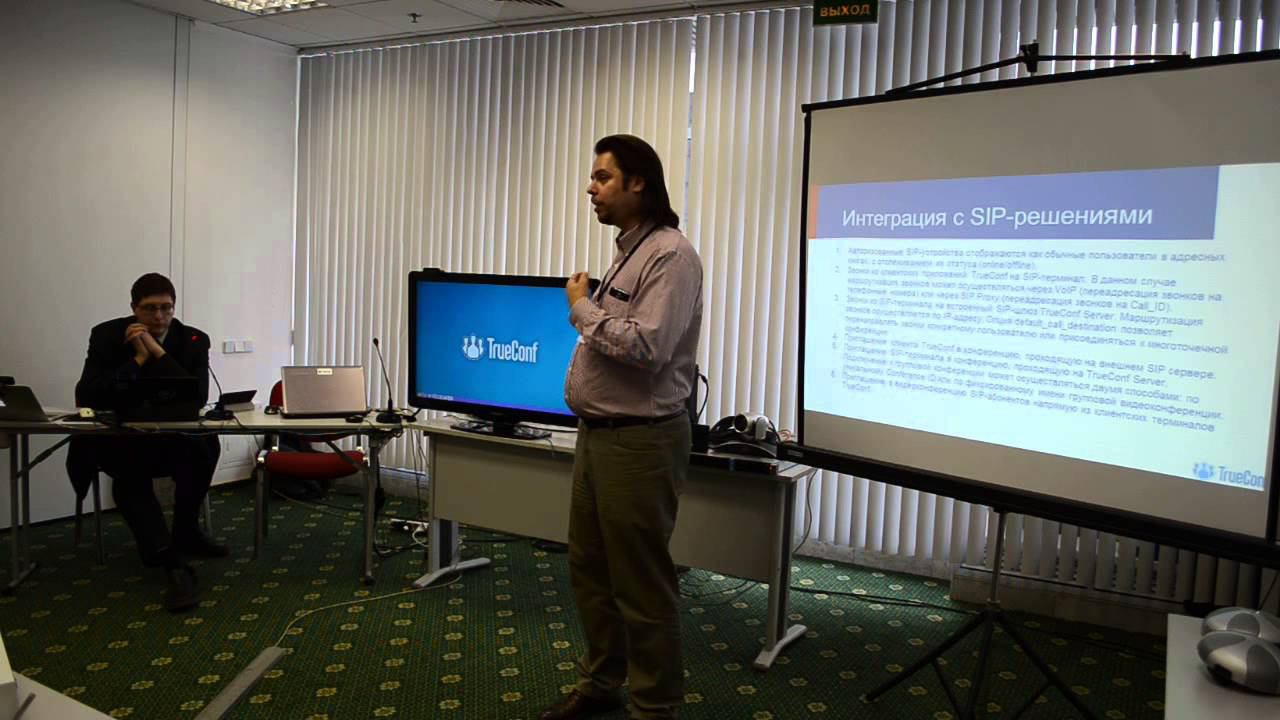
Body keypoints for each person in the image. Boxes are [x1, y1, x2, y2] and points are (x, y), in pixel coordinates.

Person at [540, 135, 703, 720]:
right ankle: (602, 682)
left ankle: (655, 707)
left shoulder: (670, 256)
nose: (590, 188)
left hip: (641, 441)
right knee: (590, 570)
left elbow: (647, 348)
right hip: (600, 435)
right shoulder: (627, 251)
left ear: (639, 183)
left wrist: (581, 308)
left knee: (640, 581)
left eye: (602, 177)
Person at [69, 273, 226, 612]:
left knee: (206, 445)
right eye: (150, 309)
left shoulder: (194, 339)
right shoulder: (107, 335)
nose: (159, 316)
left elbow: (196, 396)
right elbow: (89, 394)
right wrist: (137, 360)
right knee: (129, 478)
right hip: (124, 438)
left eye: (166, 308)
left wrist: (157, 352)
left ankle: (185, 530)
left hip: (173, 436)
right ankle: (168, 558)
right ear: (133, 308)